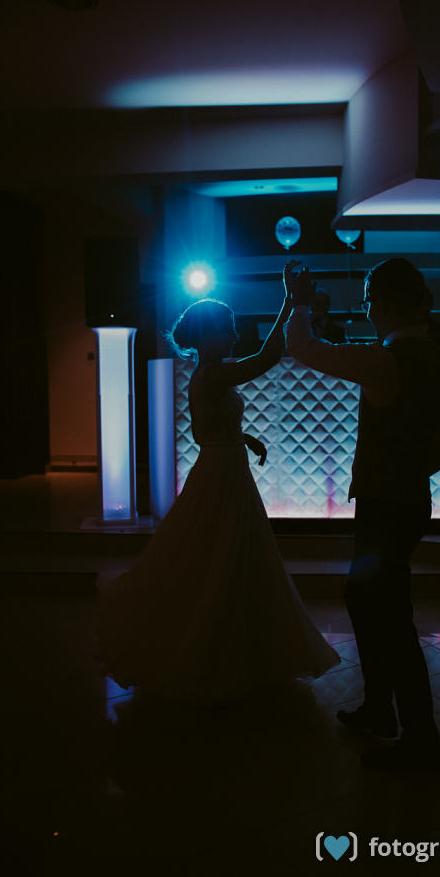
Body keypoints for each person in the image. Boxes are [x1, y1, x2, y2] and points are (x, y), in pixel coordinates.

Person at [93, 268, 340, 704]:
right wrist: (290, 301)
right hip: (222, 475)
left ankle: (231, 646)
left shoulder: (209, 374)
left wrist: (242, 437)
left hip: (224, 467)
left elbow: (204, 431)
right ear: (208, 336)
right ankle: (217, 650)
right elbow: (265, 360)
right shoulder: (211, 374)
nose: (234, 336)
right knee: (219, 555)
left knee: (220, 555)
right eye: (228, 329)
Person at [286, 258, 440, 771]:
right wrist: (411, 470)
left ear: (382, 302)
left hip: (383, 507)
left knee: (390, 618)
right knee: (368, 600)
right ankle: (380, 708)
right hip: (412, 503)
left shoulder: (384, 360)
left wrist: (299, 301)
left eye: (368, 300)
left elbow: (302, 348)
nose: (367, 309)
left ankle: (421, 738)